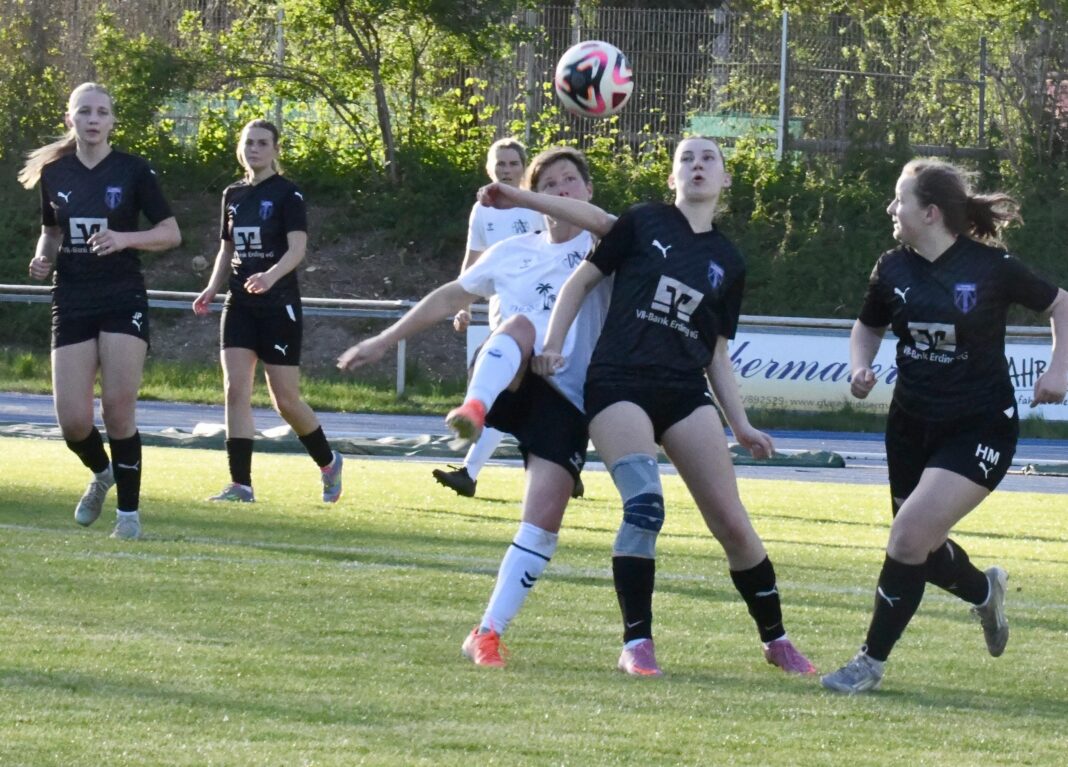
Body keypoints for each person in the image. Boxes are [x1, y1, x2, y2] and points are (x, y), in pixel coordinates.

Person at [495, 136, 815, 677]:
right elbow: (579, 282)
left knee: (733, 525)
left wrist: (740, 424)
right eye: (686, 158)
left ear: (725, 179)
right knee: (645, 505)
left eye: (708, 158)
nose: (697, 165)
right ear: (672, 178)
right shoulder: (643, 222)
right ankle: (637, 644)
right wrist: (552, 343)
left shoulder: (729, 260)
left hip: (684, 392)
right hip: (618, 385)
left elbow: (716, 352)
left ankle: (776, 639)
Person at [339, 147, 610, 667]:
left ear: (588, 190)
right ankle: (474, 409)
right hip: (509, 374)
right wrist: (385, 340)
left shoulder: (605, 246)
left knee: (542, 526)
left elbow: (604, 225)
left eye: (570, 181)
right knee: (520, 325)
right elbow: (448, 297)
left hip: (566, 397)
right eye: (549, 185)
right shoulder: (512, 251)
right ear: (533, 197)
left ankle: (486, 633)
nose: (562, 191)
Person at [821, 159, 1067, 694]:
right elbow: (867, 327)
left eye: (900, 199)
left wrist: (1059, 369)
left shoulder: (992, 267)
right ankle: (984, 592)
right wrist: (859, 366)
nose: (891, 208)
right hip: (910, 425)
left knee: (907, 537)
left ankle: (869, 664)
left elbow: (1061, 305)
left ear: (930, 212)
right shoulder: (892, 267)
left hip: (980, 427)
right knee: (921, 549)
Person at [20, 82, 181, 541]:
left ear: (112, 121)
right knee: (73, 422)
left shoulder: (133, 170)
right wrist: (43, 257)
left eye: (102, 112)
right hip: (72, 298)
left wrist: (125, 238)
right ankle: (103, 473)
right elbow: (51, 231)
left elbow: (171, 233)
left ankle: (128, 518)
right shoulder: (55, 172)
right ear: (69, 119)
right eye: (85, 112)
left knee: (117, 408)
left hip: (121, 296)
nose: (93, 120)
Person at [192, 119, 343, 504]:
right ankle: (240, 484)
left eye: (262, 143)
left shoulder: (287, 194)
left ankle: (328, 462)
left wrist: (270, 277)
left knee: (285, 400)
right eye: (249, 143)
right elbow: (227, 249)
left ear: (276, 150)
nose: (254, 149)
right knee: (235, 389)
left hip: (278, 306)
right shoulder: (233, 194)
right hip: (239, 304)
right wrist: (211, 287)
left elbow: (297, 250)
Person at [432, 138, 585, 500]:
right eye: (500, 163)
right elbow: (474, 258)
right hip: (504, 308)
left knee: (533, 388)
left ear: (524, 169)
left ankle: (559, 458)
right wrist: (464, 303)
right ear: (490, 168)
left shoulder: (538, 203)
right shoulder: (482, 210)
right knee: (505, 388)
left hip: (546, 307)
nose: (507, 169)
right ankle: (549, 461)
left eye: (514, 163)